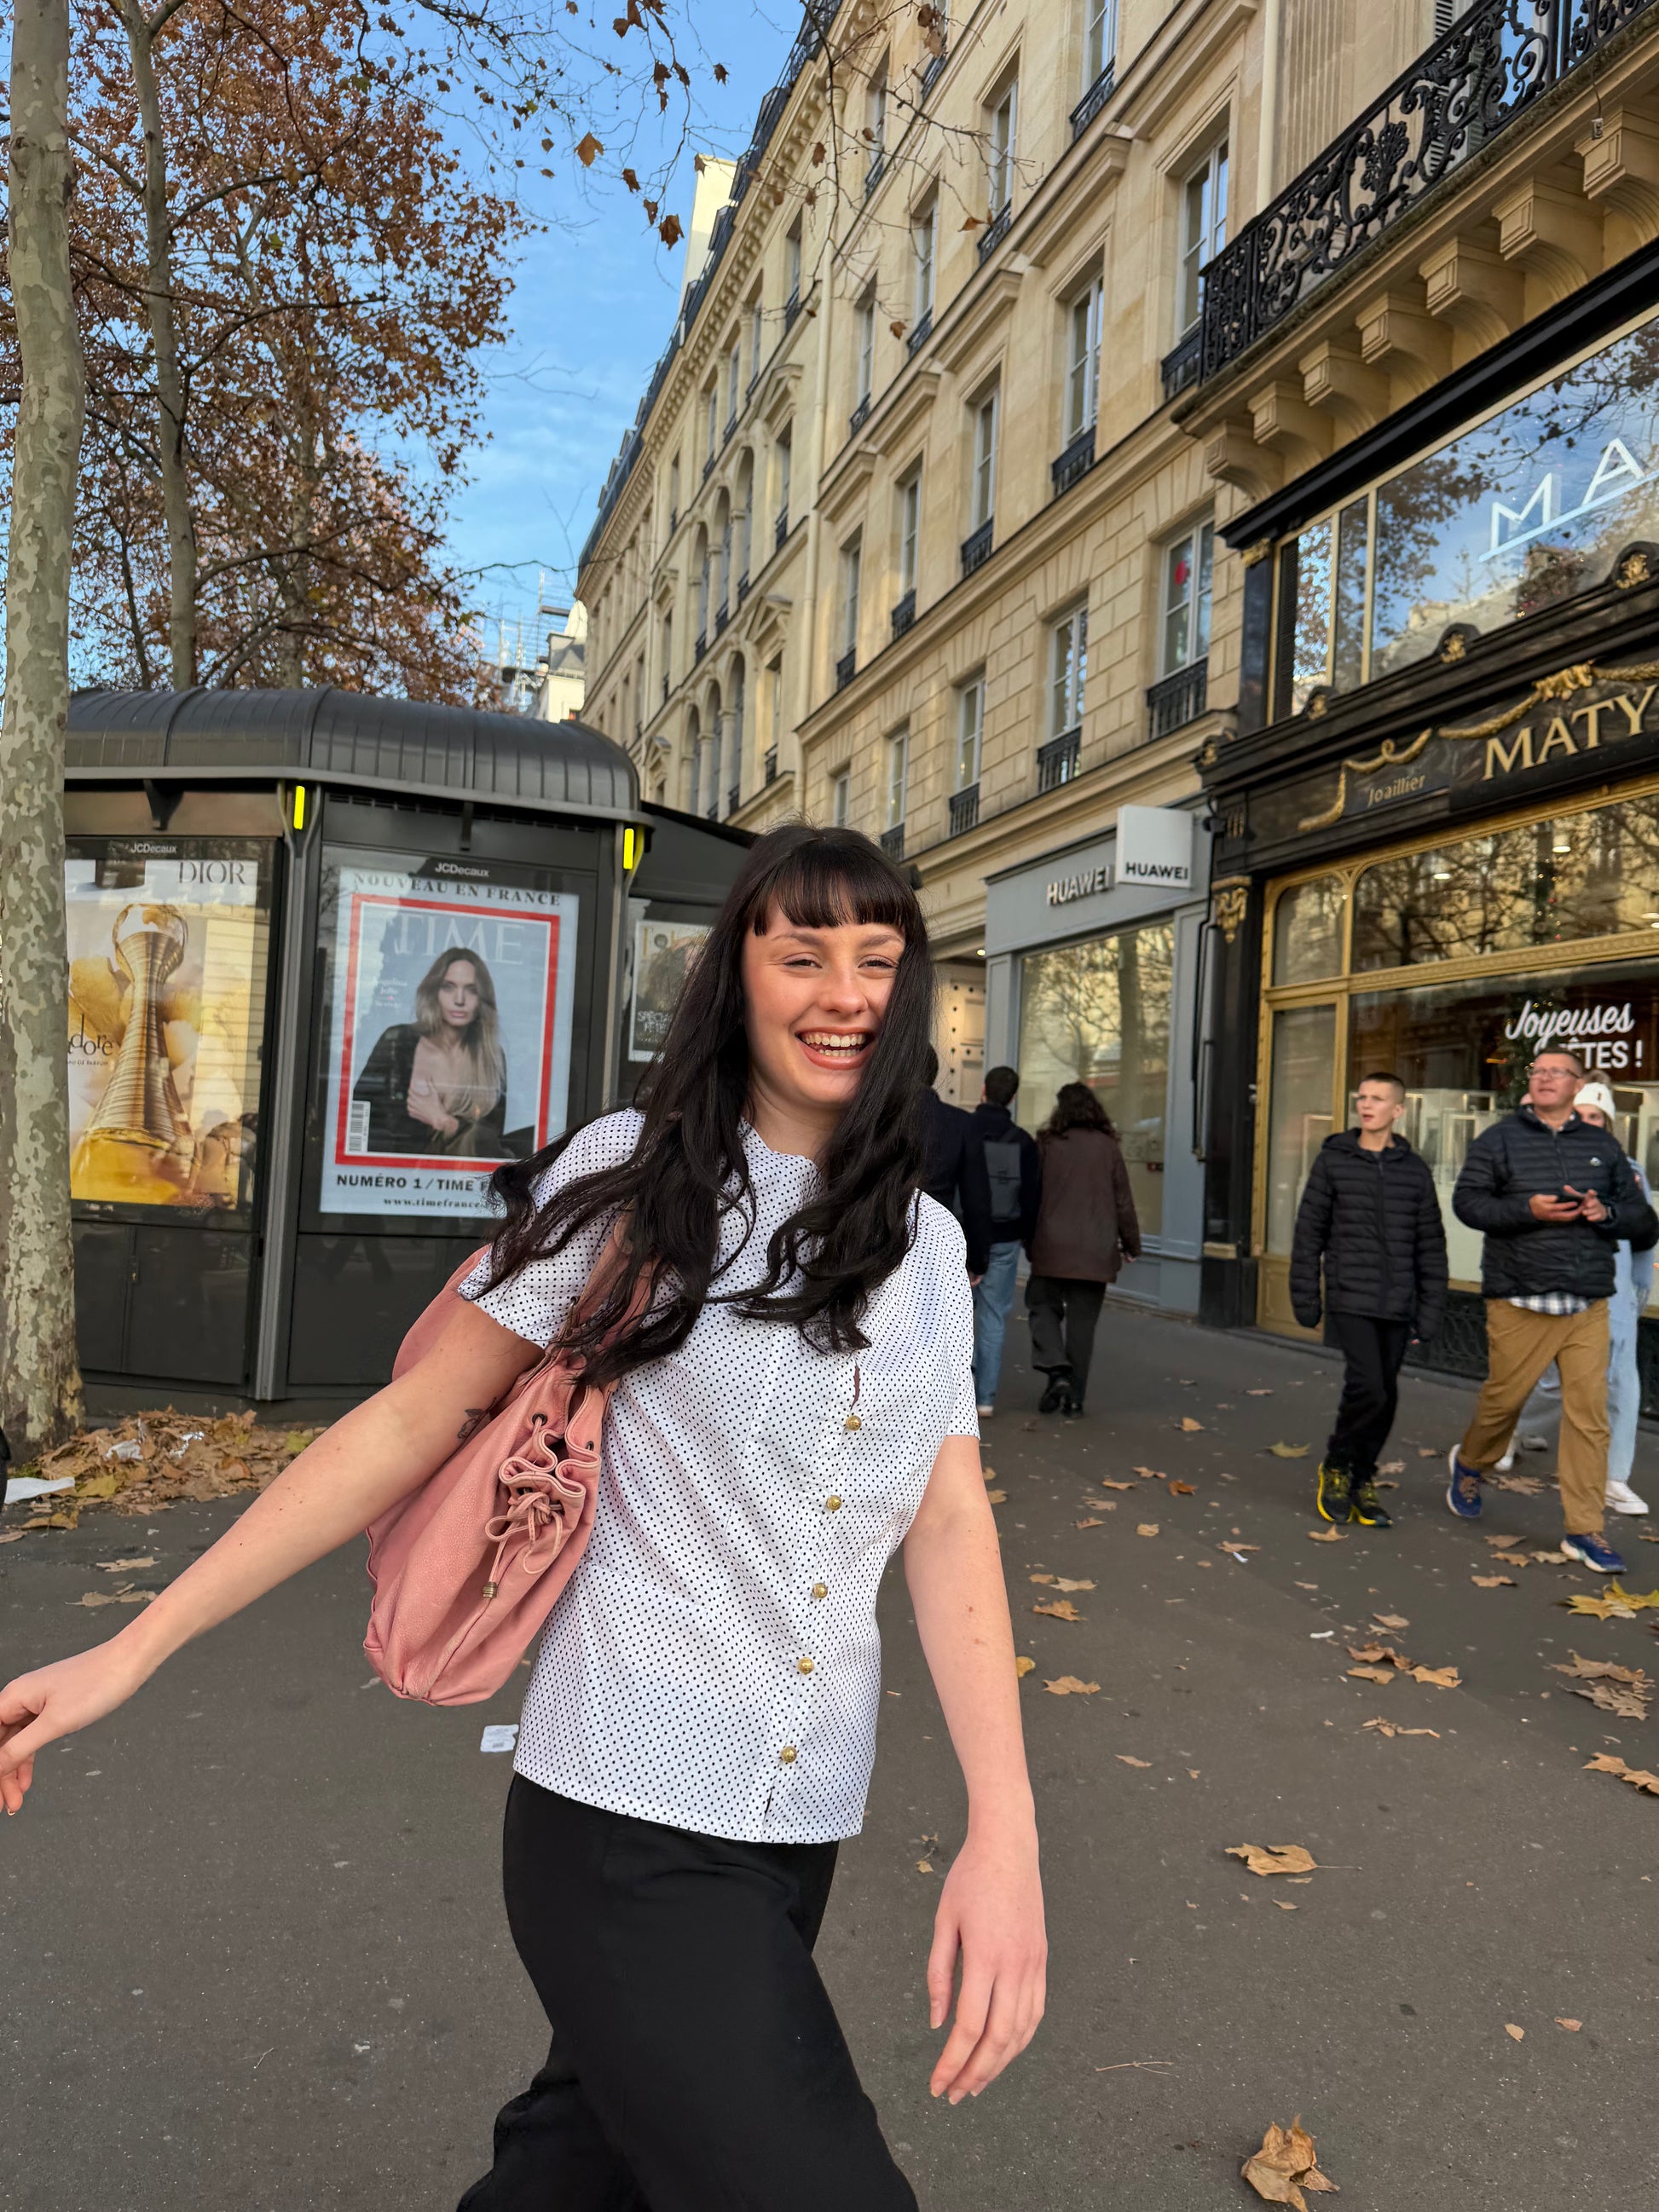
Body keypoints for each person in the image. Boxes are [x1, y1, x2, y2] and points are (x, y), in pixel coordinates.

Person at [0, 825, 1047, 2212]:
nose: (842, 992)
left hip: (801, 1825)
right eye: (800, 956)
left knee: (578, 2179)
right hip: (623, 1819)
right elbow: (416, 1418)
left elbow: (949, 1526)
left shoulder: (921, 1249)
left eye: (874, 960)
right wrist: (135, 1647)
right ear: (735, 980)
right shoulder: (641, 1181)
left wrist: (1006, 1831)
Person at [1447, 1045, 1657, 1574]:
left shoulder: (1604, 1148)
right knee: (1504, 1403)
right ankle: (1471, 1463)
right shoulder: (1499, 1139)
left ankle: (1584, 1531)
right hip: (1520, 1298)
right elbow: (1467, 1204)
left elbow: (1642, 1220)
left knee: (1588, 1418)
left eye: (1556, 1072)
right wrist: (1527, 1209)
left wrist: (1603, 1212)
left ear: (1577, 1085)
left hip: (1587, 1302)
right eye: (1538, 1071)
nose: (1544, 1079)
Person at [1288, 1071, 1448, 1529]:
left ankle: (1362, 1477)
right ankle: (1337, 1465)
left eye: (1378, 1099)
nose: (1366, 1105)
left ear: (1398, 1110)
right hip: (1350, 1296)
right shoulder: (1334, 1161)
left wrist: (1430, 1310)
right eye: (1362, 1097)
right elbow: (1308, 1233)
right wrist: (1306, 1296)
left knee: (1387, 1394)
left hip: (1398, 1301)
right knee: (1369, 1386)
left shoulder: (1414, 1170)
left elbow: (1430, 1245)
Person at [1024, 1083, 1141, 1416]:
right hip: (1096, 1250)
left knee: (1041, 1306)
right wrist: (1131, 1244)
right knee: (1082, 1328)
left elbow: (1032, 1196)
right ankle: (1074, 1400)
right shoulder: (1108, 1147)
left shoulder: (1047, 1144)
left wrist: (1028, 1239)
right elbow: (1123, 1202)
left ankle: (1056, 1371)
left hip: (1052, 1246)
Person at [1574, 1080, 1656, 1517]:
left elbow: (1645, 1233)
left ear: (1608, 1125)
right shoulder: (1555, 1167)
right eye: (1580, 1116)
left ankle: (1614, 1478)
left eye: (1595, 1117)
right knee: (1549, 1383)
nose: (1588, 1124)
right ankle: (1510, 1435)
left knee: (1623, 1381)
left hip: (1617, 1294)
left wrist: (1640, 1290)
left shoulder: (1630, 1171)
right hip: (1567, 1294)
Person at [353, 945, 510, 1157]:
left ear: (482, 999)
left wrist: (444, 1123)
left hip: (460, 1185)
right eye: (449, 987)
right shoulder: (398, 1042)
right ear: (434, 991)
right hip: (392, 1180)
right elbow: (359, 1118)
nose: (459, 999)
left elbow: (490, 1151)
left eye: (471, 990)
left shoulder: (491, 1057)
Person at [967, 1066, 1041, 1418]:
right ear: (1012, 1097)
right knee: (994, 1316)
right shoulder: (1023, 1141)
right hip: (1005, 1238)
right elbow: (1032, 1196)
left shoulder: (963, 1129)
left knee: (957, 1317)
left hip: (961, 1235)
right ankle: (985, 1398)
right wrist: (1026, 1234)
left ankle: (955, 1397)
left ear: (983, 1091)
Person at [918, 1047, 992, 1278]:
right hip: (935, 1241)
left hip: (872, 1245)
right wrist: (977, 1259)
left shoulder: (868, 1115)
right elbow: (976, 1199)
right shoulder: (960, 1123)